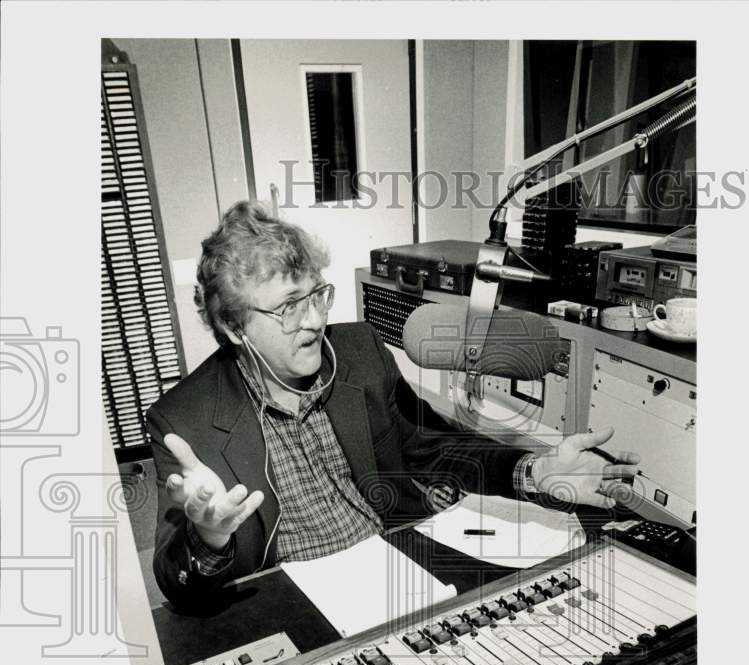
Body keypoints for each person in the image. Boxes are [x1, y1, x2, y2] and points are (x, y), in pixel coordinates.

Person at [147, 201, 638, 608]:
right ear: (234, 327)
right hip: (296, 602)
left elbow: (438, 448)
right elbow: (177, 584)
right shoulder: (183, 420)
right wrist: (208, 539)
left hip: (401, 571)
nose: (316, 321)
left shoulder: (360, 351)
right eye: (289, 307)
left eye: (318, 295)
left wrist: (534, 471)